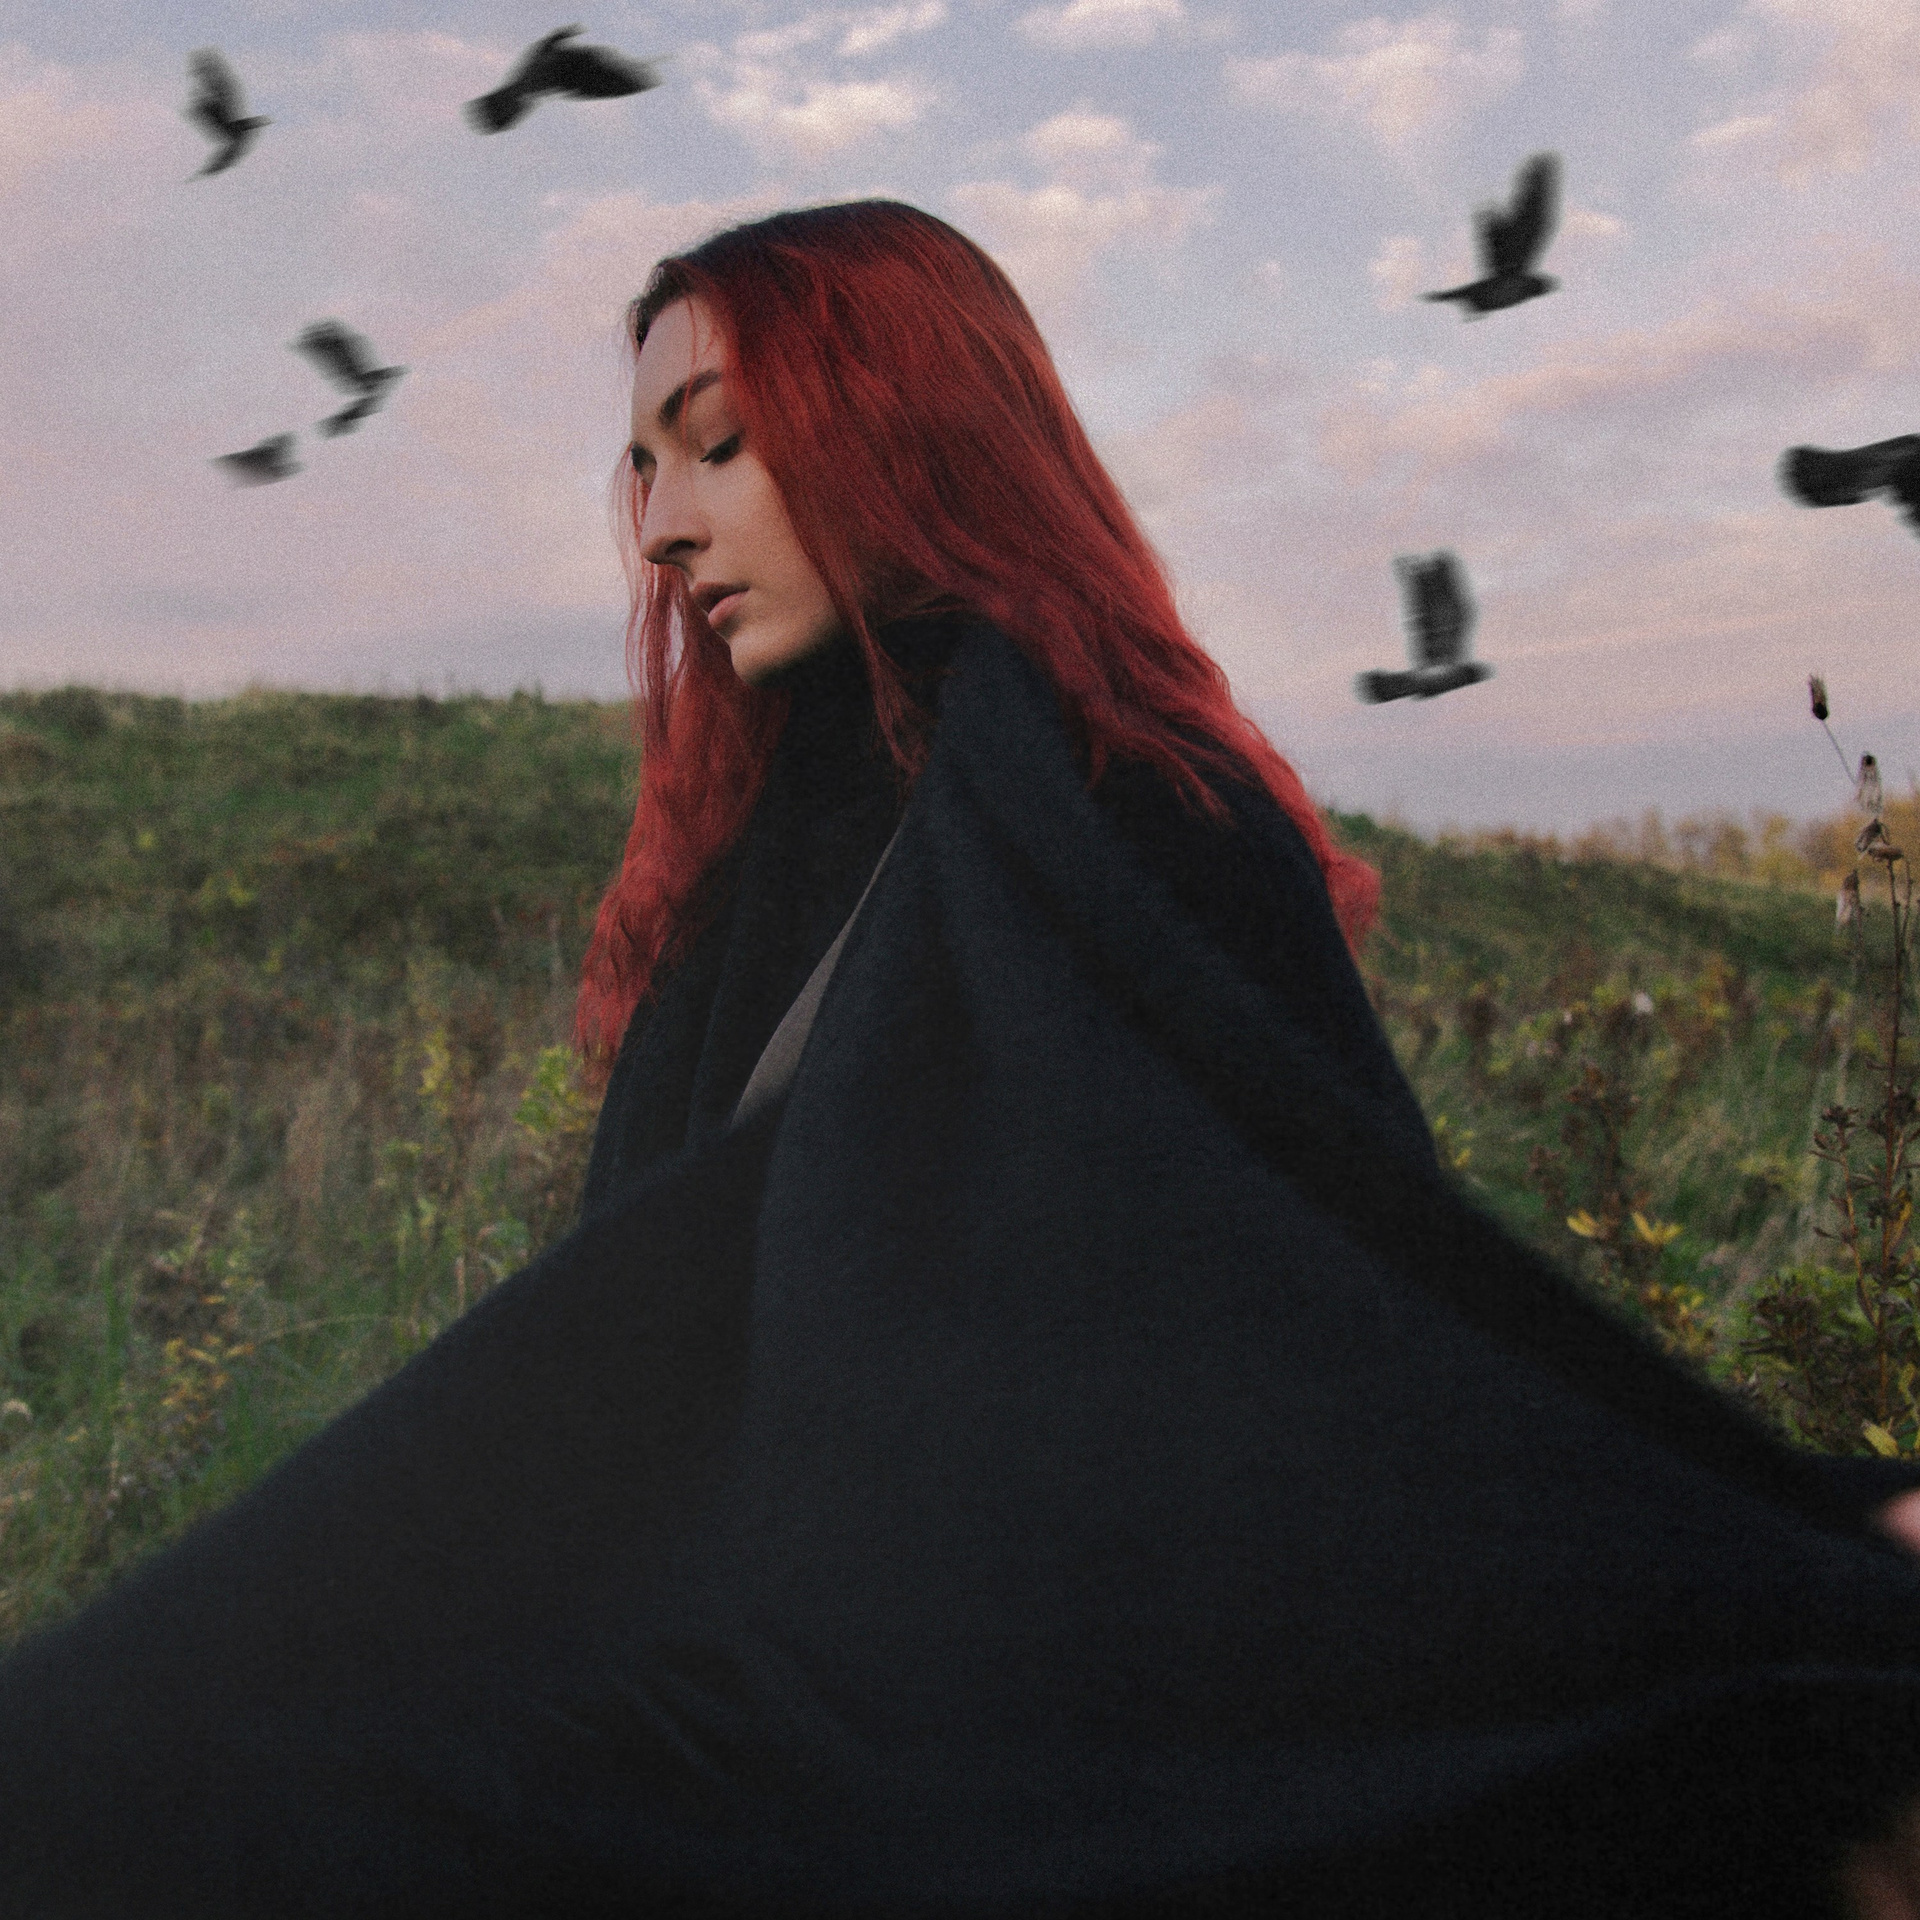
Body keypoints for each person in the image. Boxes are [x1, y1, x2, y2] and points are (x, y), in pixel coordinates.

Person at [3, 198, 1920, 1919]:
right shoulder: (764, 866)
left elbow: (1354, 1311)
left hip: (998, 1688)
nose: (661, 530)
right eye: (644, 470)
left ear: (899, 426)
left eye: (720, 447)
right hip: (723, 1624)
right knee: (148, 1760)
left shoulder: (1136, 813)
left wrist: (1769, 1546)